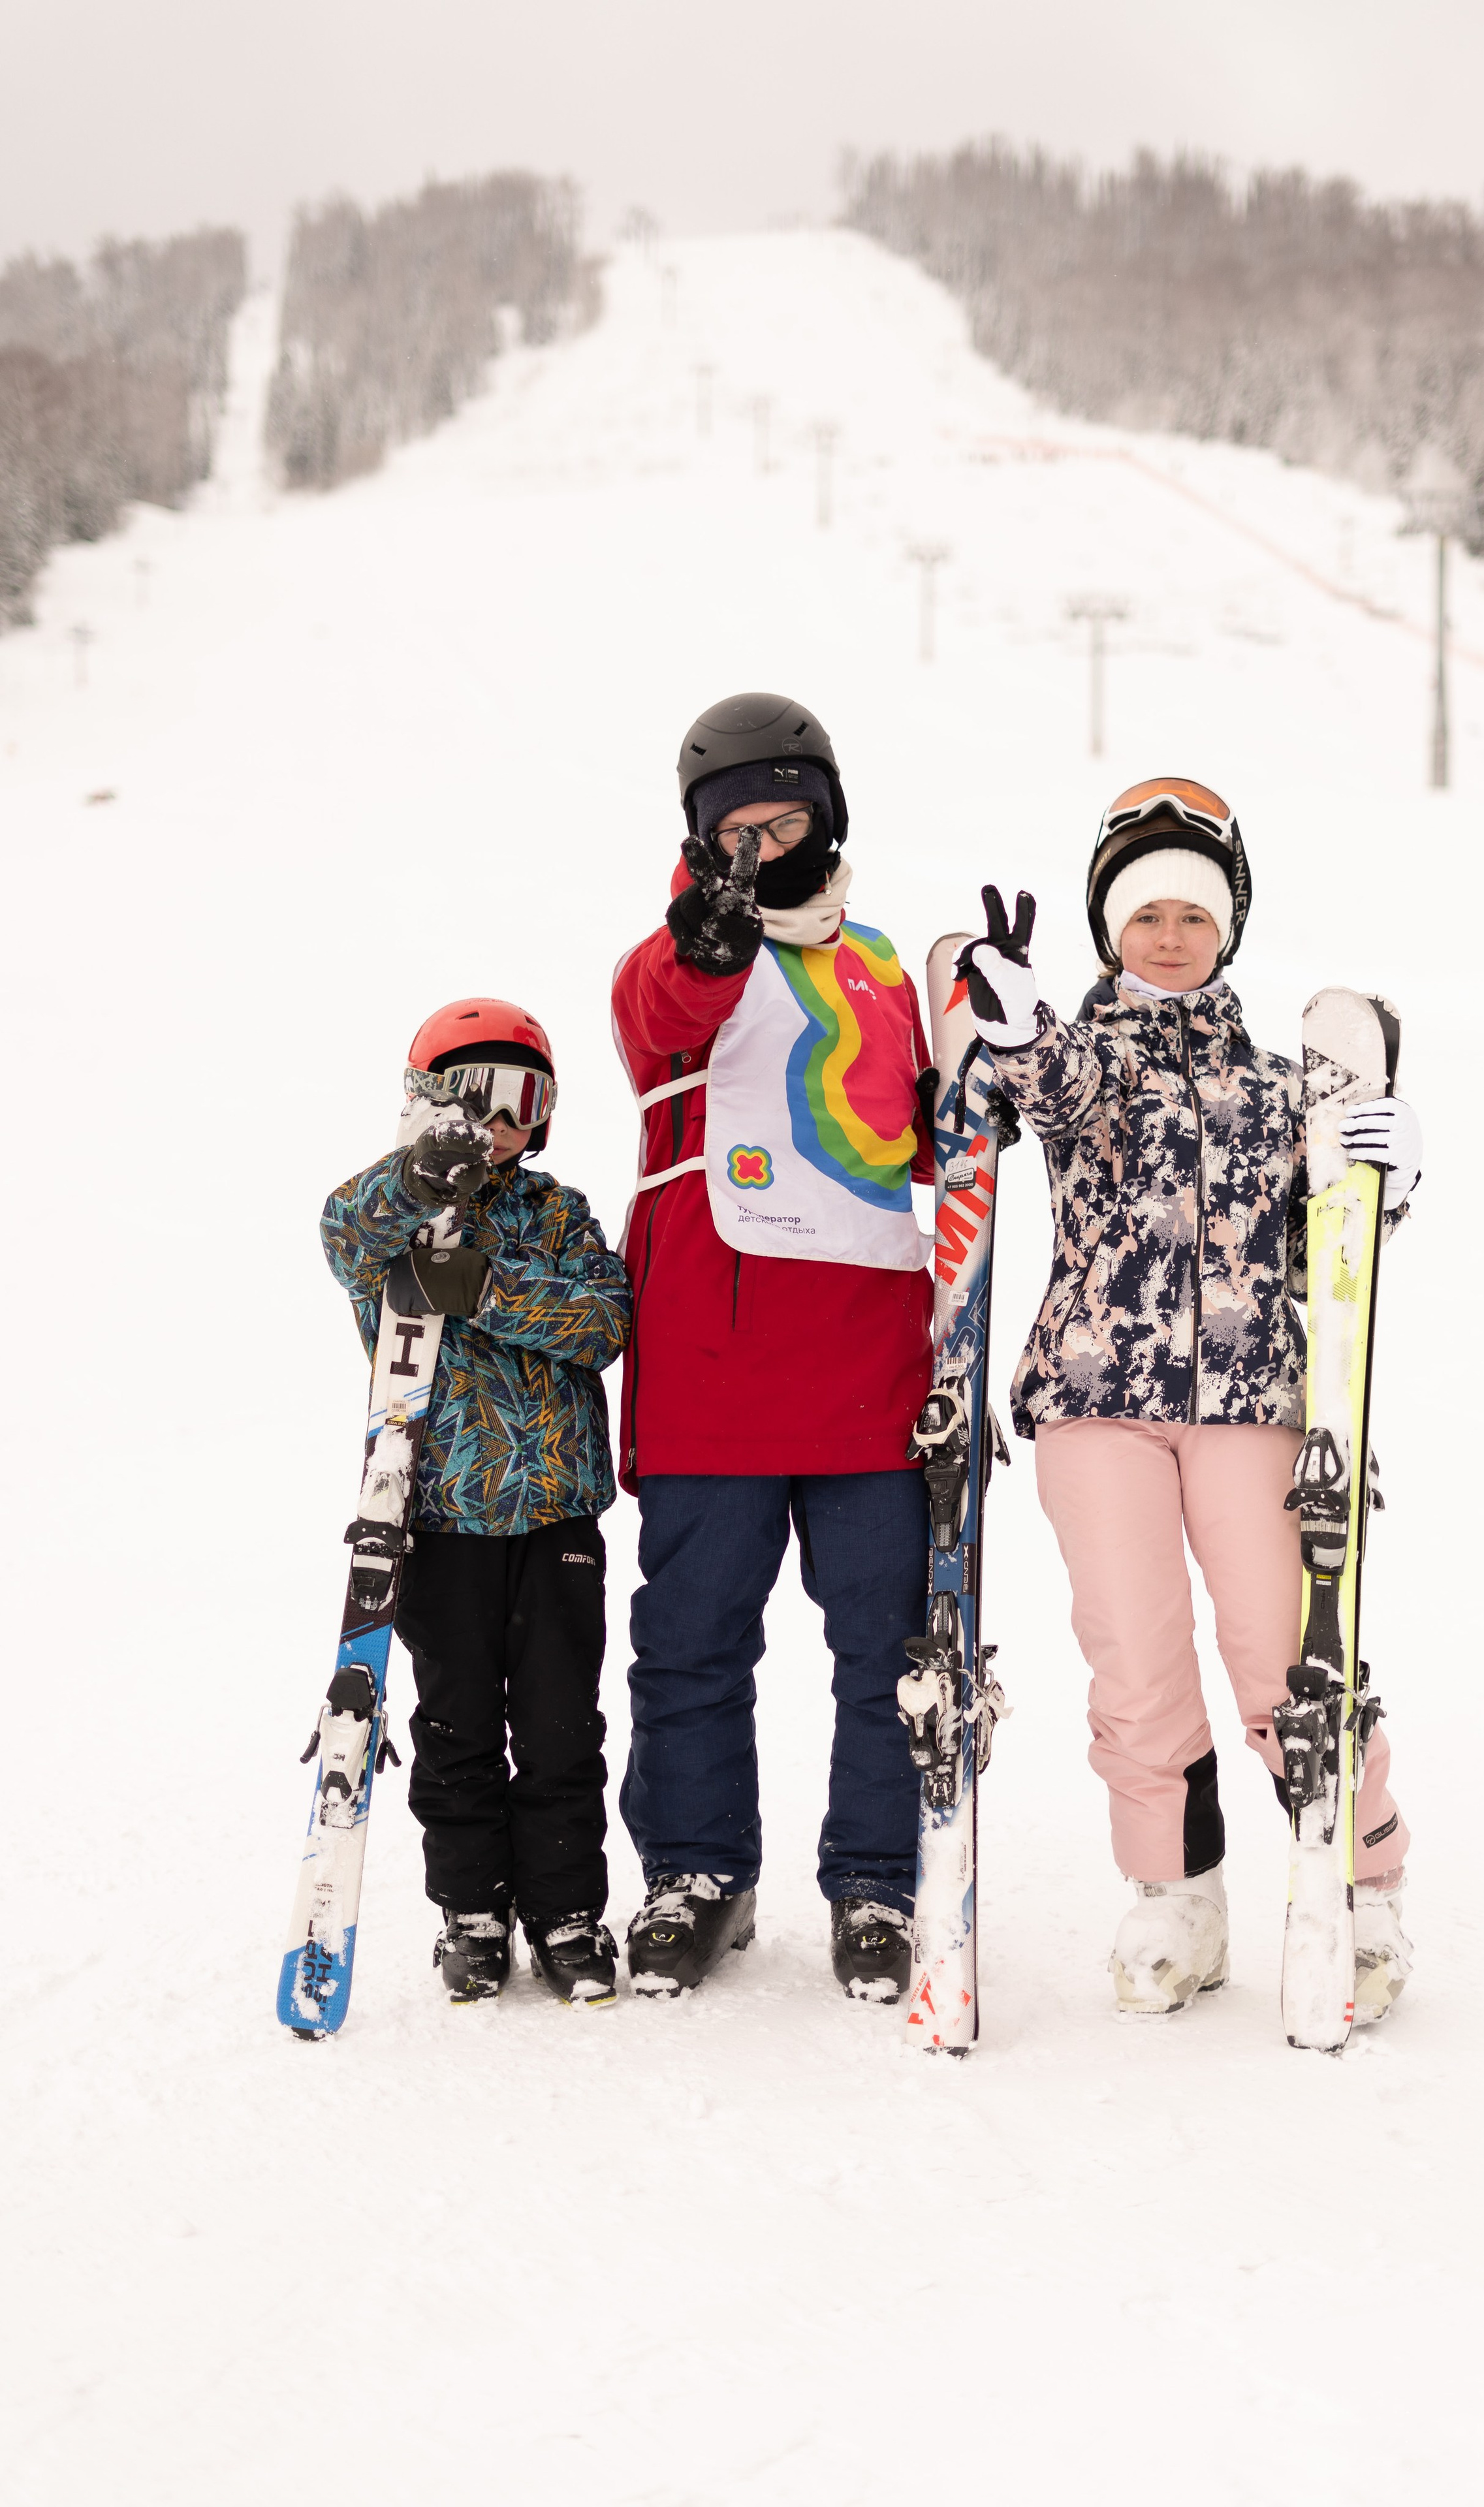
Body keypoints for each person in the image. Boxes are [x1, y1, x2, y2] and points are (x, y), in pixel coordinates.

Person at [958, 779, 1422, 2021]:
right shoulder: (1085, 1066)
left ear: (1229, 931)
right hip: (1094, 1400)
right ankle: (1177, 1896)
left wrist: (1391, 1163)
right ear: (1112, 927)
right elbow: (1043, 1086)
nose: (1170, 934)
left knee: (1289, 1654)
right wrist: (1008, 1027)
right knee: (1136, 1657)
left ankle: (1361, 1884)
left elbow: (1346, 1230)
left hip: (1255, 1404)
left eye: (1195, 915)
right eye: (1146, 913)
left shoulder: (1279, 1086)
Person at [610, 692, 936, 2002]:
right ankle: (697, 1874)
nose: (759, 847)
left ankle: (874, 1880)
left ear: (828, 817)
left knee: (887, 1647)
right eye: (730, 828)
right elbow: (661, 1014)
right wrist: (704, 936)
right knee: (691, 1640)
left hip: (867, 1362)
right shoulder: (672, 955)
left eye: (783, 819)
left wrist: (981, 1089)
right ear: (697, 842)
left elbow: (924, 1138)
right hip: (713, 1360)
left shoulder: (882, 966)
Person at [321, 998, 632, 2006]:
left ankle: (567, 1913)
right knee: (456, 1725)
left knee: (558, 1725)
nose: (498, 1125)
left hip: (555, 1520)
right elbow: (341, 1230)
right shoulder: (384, 1218)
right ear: (427, 1105)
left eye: (520, 1102)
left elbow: (603, 1321)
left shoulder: (555, 1212)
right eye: (473, 1101)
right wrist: (416, 1179)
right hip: (441, 1520)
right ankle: (472, 1911)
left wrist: (487, 1289)